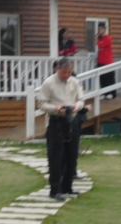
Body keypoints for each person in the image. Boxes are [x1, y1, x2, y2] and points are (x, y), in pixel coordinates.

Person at [38, 57, 84, 201]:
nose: (67, 75)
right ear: (58, 69)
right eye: (64, 72)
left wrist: (77, 106)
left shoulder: (74, 82)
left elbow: (81, 100)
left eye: (69, 72)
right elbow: (42, 104)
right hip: (56, 121)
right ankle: (55, 189)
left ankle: (67, 186)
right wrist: (56, 109)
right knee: (56, 156)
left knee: (72, 154)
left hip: (72, 120)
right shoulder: (49, 83)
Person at [96, 23, 115, 99]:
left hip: (108, 61)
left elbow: (101, 46)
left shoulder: (108, 38)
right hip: (100, 61)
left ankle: (111, 93)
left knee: (109, 78)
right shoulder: (100, 39)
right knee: (102, 78)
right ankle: (104, 93)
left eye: (101, 29)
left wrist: (97, 39)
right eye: (98, 29)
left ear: (104, 29)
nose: (99, 31)